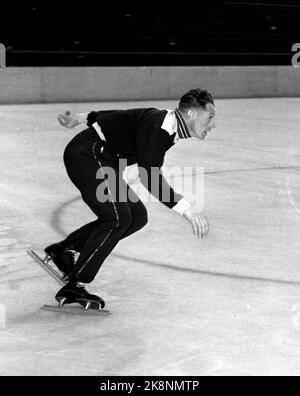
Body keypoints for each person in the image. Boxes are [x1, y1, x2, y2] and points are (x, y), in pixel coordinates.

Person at [46, 88, 216, 307]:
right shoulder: (161, 126)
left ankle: (64, 250)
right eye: (210, 117)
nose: (213, 125)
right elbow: (149, 175)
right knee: (118, 219)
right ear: (191, 113)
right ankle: (75, 286)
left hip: (101, 160)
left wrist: (81, 119)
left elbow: (121, 115)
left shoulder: (164, 122)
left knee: (136, 216)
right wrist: (186, 210)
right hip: (89, 155)